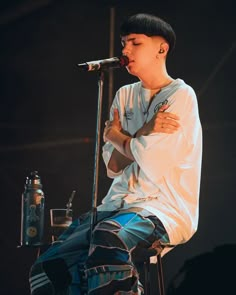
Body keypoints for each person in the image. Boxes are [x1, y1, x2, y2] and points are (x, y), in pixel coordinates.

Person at [29, 13, 202, 295]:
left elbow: (151, 160)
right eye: (123, 43)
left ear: (161, 48)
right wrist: (141, 132)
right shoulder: (124, 95)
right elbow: (113, 164)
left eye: (135, 42)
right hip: (116, 205)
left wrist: (118, 136)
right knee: (48, 267)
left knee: (108, 237)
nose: (125, 50)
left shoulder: (180, 95)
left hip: (161, 207)